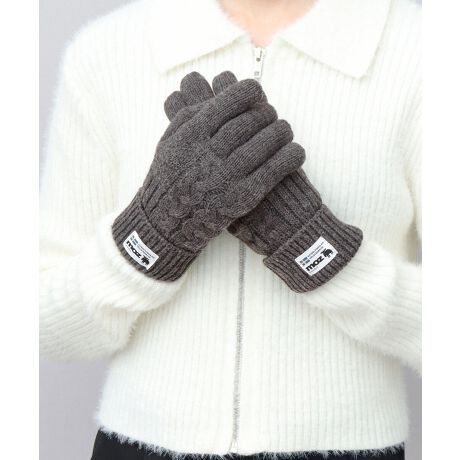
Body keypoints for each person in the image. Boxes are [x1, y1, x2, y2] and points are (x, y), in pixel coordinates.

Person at [39, 0, 421, 459]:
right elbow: (45, 325)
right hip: (140, 447)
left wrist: (317, 250)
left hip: (347, 450)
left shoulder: (423, 53)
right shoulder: (107, 51)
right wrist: (154, 232)